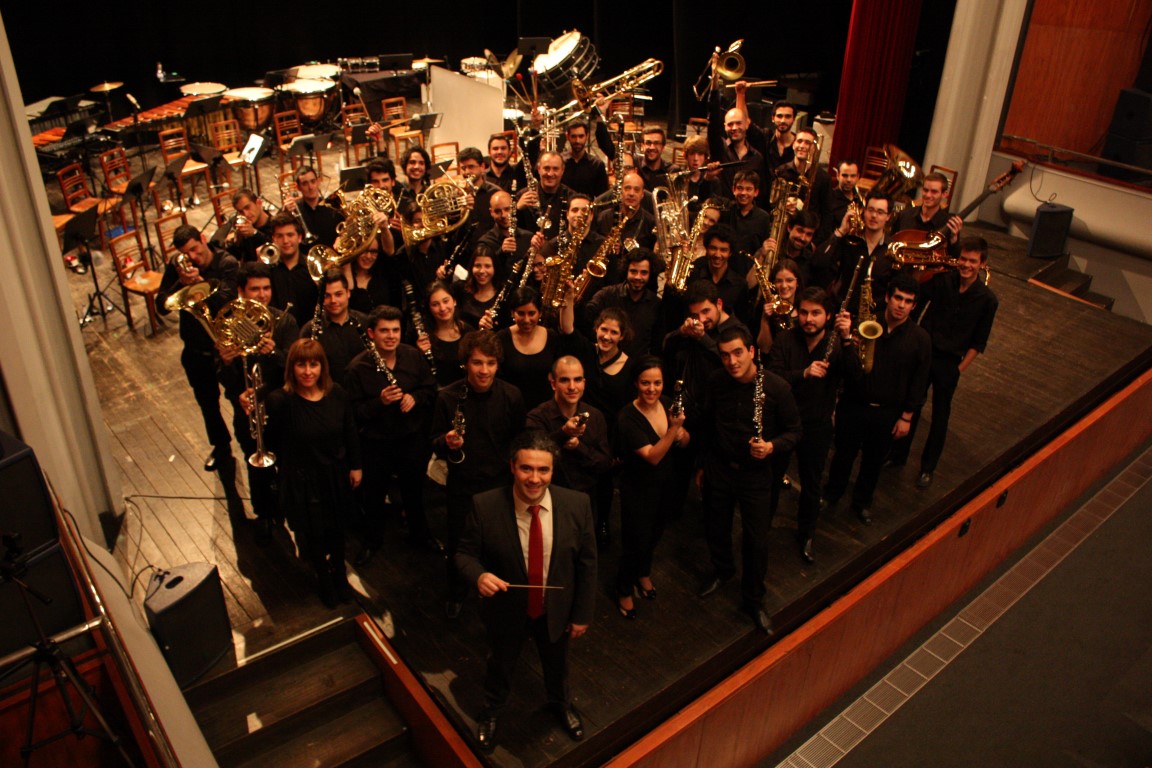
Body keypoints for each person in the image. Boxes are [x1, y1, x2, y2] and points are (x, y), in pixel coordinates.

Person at [456, 430, 596, 753]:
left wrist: (582, 614)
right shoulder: (485, 505)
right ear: (512, 467)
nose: (534, 479)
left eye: (543, 470)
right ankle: (491, 711)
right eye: (526, 469)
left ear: (553, 470)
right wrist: (478, 576)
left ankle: (561, 704)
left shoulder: (578, 505)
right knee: (500, 664)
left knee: (558, 664)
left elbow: (588, 566)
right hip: (506, 612)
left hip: (556, 611)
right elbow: (463, 554)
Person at [697, 326, 802, 633]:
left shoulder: (777, 388)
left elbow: (796, 432)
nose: (731, 361)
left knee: (756, 541)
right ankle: (723, 570)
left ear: (752, 351)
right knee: (716, 525)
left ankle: (753, 600)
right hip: (719, 467)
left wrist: (771, 446)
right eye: (725, 355)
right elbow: (706, 424)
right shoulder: (716, 382)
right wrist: (702, 465)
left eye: (738, 353)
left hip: (756, 476)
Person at [887, 236, 998, 487]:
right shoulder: (943, 281)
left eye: (972, 261)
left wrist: (959, 369)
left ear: (982, 263)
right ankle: (897, 456)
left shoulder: (988, 300)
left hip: (950, 363)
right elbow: (916, 302)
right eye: (963, 259)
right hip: (926, 352)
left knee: (940, 417)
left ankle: (927, 468)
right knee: (911, 404)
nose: (966, 265)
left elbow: (979, 342)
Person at [823, 274, 931, 524]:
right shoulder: (865, 324)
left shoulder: (920, 339)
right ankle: (831, 494)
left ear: (914, 306)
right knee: (843, 455)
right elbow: (847, 368)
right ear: (888, 298)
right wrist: (849, 341)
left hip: (887, 412)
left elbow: (919, 382)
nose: (902, 305)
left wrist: (907, 417)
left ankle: (862, 502)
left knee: (873, 461)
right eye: (898, 298)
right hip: (854, 404)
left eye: (908, 301)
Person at [432, 331, 526, 619]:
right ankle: (457, 591)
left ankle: (498, 593)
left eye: (490, 363)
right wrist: (446, 442)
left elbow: (519, 442)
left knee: (500, 543)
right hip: (463, 483)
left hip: (500, 484)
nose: (484, 370)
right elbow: (432, 441)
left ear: (498, 364)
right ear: (466, 364)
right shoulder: (448, 396)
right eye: (477, 363)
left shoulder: (512, 395)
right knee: (459, 541)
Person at [262, 338, 361, 608]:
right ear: (291, 368)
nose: (307, 372)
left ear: (322, 366)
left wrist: (356, 465)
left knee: (337, 531)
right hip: (301, 479)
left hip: (334, 475)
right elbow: (270, 443)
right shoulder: (280, 401)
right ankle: (324, 579)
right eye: (301, 365)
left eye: (313, 364)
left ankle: (340, 575)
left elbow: (349, 430)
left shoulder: (336, 393)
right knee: (314, 534)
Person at [767, 287, 856, 563]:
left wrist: (848, 338)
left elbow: (856, 378)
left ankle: (806, 534)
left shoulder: (837, 343)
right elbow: (773, 376)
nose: (808, 318)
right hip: (783, 423)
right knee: (771, 480)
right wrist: (803, 373)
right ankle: (762, 527)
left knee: (812, 484)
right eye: (804, 312)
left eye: (816, 313)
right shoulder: (784, 339)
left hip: (816, 425)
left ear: (828, 316)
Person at [345, 305, 438, 563]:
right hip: (376, 444)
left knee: (414, 492)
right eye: (384, 330)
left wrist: (414, 398)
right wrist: (380, 402)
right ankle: (372, 541)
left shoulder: (413, 357)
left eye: (396, 330)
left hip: (410, 440)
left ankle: (420, 534)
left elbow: (430, 390)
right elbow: (352, 414)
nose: (391, 336)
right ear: (371, 333)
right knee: (374, 496)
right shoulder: (357, 368)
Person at [219, 262, 300, 538]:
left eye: (266, 288)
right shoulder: (231, 326)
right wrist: (229, 371)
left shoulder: (284, 321)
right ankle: (265, 514)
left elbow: (296, 367)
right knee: (255, 463)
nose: (263, 295)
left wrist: (275, 352)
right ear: (242, 292)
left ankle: (290, 508)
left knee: (288, 460)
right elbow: (225, 377)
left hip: (281, 407)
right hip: (248, 411)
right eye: (256, 289)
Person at [156, 225, 239, 475]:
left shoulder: (226, 262)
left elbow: (229, 298)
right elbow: (162, 304)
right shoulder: (178, 267)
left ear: (203, 239)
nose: (191, 257)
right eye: (185, 252)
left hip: (225, 350)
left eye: (194, 249)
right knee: (207, 404)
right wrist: (180, 285)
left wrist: (201, 285)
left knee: (238, 401)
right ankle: (221, 448)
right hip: (195, 351)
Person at [614, 356, 689, 619]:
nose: (652, 389)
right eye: (646, 383)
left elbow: (685, 441)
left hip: (665, 486)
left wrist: (682, 433)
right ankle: (623, 588)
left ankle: (642, 573)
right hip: (638, 489)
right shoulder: (627, 417)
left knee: (655, 534)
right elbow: (654, 456)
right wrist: (673, 430)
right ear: (636, 383)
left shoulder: (668, 404)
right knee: (636, 541)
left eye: (657, 383)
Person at [526, 356, 611, 523]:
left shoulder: (595, 416)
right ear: (553, 383)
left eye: (577, 380)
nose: (572, 387)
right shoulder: (537, 417)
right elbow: (533, 458)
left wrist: (579, 447)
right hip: (546, 502)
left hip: (585, 502)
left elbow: (605, 464)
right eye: (565, 380)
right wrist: (563, 433)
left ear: (584, 382)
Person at [493, 287, 571, 410]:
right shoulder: (501, 338)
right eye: (521, 313)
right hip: (510, 408)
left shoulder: (552, 337)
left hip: (545, 411)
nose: (526, 320)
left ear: (540, 313)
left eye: (531, 313)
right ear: (512, 313)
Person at [582, 249, 661, 357]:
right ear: (626, 271)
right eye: (633, 271)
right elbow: (586, 316)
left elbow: (657, 344)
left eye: (644, 273)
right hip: (604, 362)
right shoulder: (607, 294)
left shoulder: (656, 304)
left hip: (637, 367)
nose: (638, 277)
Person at [299, 271, 368, 386]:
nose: (333, 301)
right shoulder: (310, 330)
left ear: (348, 293)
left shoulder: (365, 323)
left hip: (363, 392)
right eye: (327, 296)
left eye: (338, 294)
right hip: (327, 395)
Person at [419, 280, 477, 388]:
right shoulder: (424, 338)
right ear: (429, 308)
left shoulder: (469, 331)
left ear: (454, 301)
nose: (442, 308)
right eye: (435, 304)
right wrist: (420, 355)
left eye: (446, 301)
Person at [266, 212, 319, 328]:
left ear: (299, 237)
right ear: (273, 239)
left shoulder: (313, 267)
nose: (285, 241)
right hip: (277, 333)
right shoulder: (267, 269)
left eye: (290, 235)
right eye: (280, 236)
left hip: (309, 332)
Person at [891, 171, 963, 250]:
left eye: (934, 192)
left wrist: (954, 240)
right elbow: (892, 242)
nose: (928, 195)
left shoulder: (948, 224)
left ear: (944, 194)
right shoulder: (905, 215)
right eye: (925, 190)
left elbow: (953, 257)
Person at [285, 165, 343, 247]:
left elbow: (344, 229)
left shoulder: (332, 206)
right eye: (305, 184)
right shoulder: (294, 209)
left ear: (318, 182)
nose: (310, 187)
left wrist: (341, 238)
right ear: (298, 187)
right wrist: (285, 212)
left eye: (313, 181)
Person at [515, 150, 571, 235]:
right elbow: (509, 228)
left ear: (562, 170)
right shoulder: (522, 195)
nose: (550, 173)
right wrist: (517, 208)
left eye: (555, 169)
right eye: (546, 168)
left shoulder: (571, 197)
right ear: (539, 169)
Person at [723, 170, 772, 257]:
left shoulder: (763, 217)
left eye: (748, 189)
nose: (743, 193)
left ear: (756, 192)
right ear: (733, 190)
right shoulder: (725, 211)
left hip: (752, 268)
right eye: (740, 188)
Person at [560, 120, 609, 197]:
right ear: (567, 136)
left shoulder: (597, 165)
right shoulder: (559, 162)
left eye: (581, 136)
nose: (577, 141)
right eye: (573, 136)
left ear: (587, 136)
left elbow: (603, 197)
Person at [224, 187, 273, 263]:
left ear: (258, 203)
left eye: (247, 207)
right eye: (241, 211)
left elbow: (274, 247)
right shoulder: (243, 226)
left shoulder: (275, 224)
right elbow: (233, 258)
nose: (246, 214)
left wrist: (254, 233)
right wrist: (237, 241)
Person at [455, 252, 500, 329]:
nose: (482, 271)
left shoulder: (503, 295)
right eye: (477, 266)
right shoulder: (460, 288)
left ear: (495, 268)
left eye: (487, 266)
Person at [636, 127, 680, 192]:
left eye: (656, 143)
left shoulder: (672, 171)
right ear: (642, 146)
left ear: (663, 147)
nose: (652, 147)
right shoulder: (635, 163)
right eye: (648, 143)